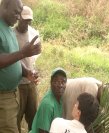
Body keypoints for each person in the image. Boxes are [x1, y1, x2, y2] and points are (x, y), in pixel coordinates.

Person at [0, 0, 41, 132]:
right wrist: (23, 53)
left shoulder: (8, 29)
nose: (18, 17)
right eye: (16, 12)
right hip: (3, 96)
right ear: (5, 6)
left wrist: (26, 72)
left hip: (13, 93)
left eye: (20, 13)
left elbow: (13, 59)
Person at [14, 5, 40, 133]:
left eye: (29, 21)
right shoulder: (12, 34)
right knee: (16, 117)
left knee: (33, 115)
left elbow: (35, 58)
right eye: (25, 20)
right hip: (17, 83)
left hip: (31, 83)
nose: (27, 23)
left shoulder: (34, 33)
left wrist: (35, 71)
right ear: (18, 17)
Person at [30, 67, 67, 133]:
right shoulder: (48, 104)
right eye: (56, 81)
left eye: (63, 82)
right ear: (51, 83)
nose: (60, 85)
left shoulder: (60, 97)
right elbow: (42, 131)